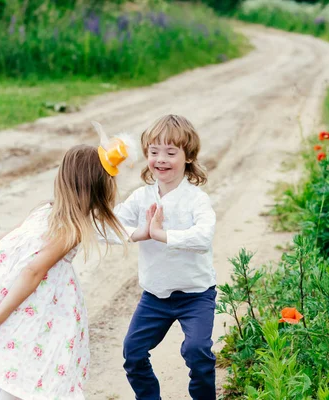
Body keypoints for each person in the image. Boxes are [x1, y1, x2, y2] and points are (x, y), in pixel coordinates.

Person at [0, 140, 131, 400]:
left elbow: (33, 272)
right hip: (15, 304)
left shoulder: (70, 229)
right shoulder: (44, 211)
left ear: (64, 178)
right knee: (6, 371)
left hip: (35, 312)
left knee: (22, 378)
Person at [115, 114, 217, 400]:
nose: (161, 159)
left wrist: (162, 235)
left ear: (188, 157)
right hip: (155, 296)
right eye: (153, 151)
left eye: (171, 152)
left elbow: (203, 237)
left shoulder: (196, 199)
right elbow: (108, 227)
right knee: (133, 354)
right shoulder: (140, 198)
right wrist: (140, 233)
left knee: (197, 351)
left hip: (196, 295)